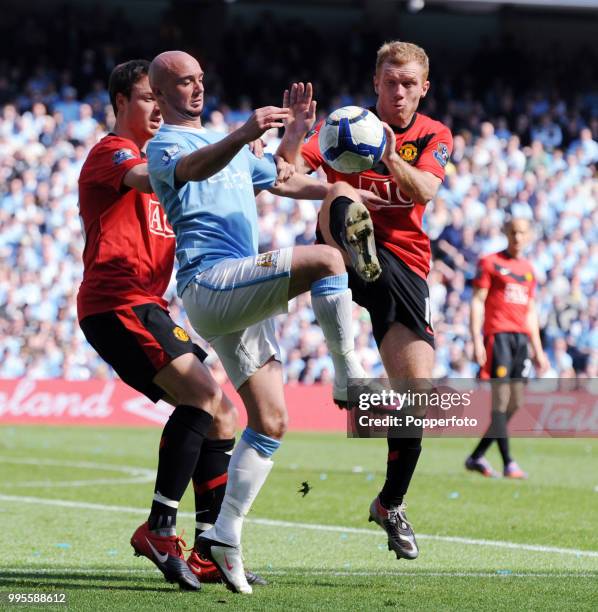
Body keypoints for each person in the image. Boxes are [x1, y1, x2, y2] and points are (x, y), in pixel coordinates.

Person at [146, 50, 371, 594]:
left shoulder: (232, 143)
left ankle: (224, 536)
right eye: (183, 83)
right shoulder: (164, 145)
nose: (196, 90)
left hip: (236, 293)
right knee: (327, 259)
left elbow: (285, 179)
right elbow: (195, 169)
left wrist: (334, 179)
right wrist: (246, 132)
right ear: (159, 91)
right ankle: (350, 376)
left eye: (200, 80)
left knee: (271, 421)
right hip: (210, 282)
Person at [76, 59, 263, 591]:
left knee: (224, 414)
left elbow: (208, 178)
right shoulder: (112, 155)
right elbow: (155, 176)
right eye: (146, 99)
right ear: (120, 104)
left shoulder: (171, 155)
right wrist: (227, 142)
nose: (158, 109)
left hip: (146, 304)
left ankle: (206, 549)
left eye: (161, 99)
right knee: (204, 396)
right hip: (116, 303)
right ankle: (159, 528)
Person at [278, 41, 454, 561]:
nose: (397, 92)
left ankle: (390, 505)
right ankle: (351, 253)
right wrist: (291, 139)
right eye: (389, 83)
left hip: (404, 265)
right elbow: (285, 176)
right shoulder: (343, 124)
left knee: (416, 396)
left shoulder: (433, 135)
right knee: (341, 195)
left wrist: (384, 156)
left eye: (408, 84)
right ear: (375, 83)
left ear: (424, 88)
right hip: (338, 247)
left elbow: (423, 190)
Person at [465, 215, 549, 478]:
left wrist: (538, 349)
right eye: (513, 232)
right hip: (498, 336)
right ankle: (508, 462)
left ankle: (477, 456)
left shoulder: (528, 270)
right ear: (506, 233)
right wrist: (477, 339)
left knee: (516, 402)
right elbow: (478, 301)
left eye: (522, 233)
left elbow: (531, 311)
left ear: (529, 236)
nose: (517, 238)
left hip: (521, 340)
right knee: (500, 402)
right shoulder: (489, 262)